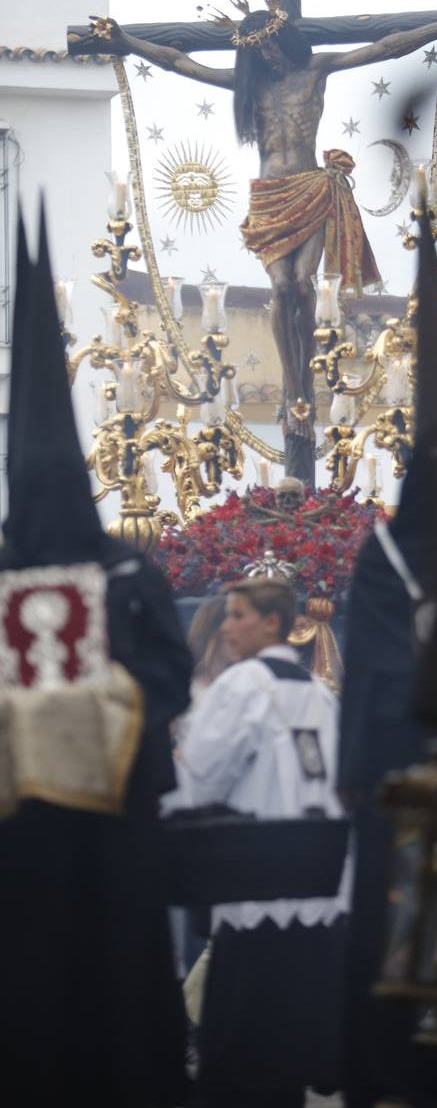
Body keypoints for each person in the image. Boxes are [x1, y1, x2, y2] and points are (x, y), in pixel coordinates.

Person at [87, 0, 437, 482]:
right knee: (280, 288)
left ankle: (303, 385)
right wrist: (127, 42)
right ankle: (293, 383)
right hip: (270, 195)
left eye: (272, 47)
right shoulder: (249, 87)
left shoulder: (314, 72)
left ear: (287, 43)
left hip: (311, 190)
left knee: (301, 287)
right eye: (259, 52)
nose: (268, 57)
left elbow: (384, 46)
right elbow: (178, 62)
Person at [0, 206, 194, 1107]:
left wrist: (99, 710)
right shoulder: (81, 570)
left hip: (112, 828)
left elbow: (170, 680)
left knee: (108, 993)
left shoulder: (127, 569)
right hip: (28, 835)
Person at [175, 576, 352, 1108]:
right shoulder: (319, 692)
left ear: (272, 622)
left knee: (239, 1060)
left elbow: (198, 780)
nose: (226, 627)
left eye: (237, 616)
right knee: (290, 1054)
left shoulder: (242, 684)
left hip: (254, 890)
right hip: (320, 895)